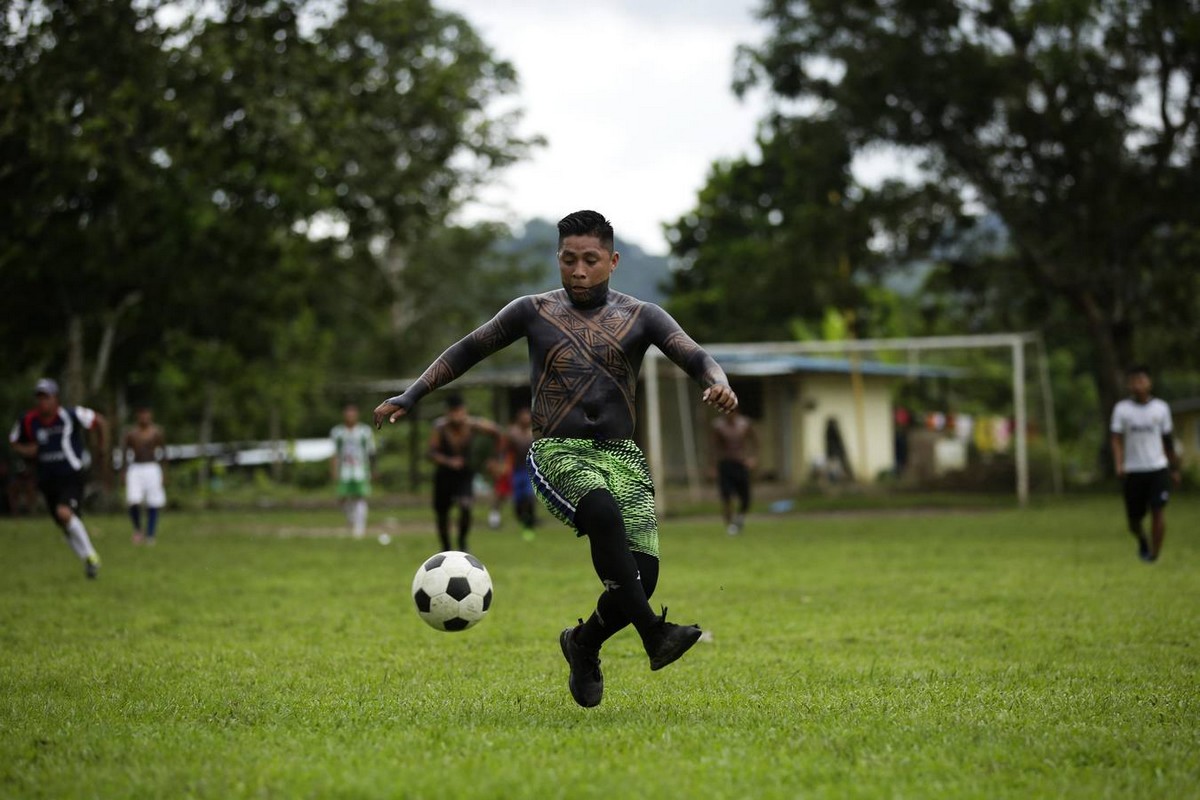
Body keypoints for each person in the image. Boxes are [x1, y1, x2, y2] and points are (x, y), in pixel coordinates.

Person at [374, 210, 738, 708]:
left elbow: (696, 356)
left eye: (590, 260)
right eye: (569, 260)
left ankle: (583, 644)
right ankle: (654, 635)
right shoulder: (532, 311)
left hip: (623, 456)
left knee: (643, 578)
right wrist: (411, 395)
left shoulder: (643, 316)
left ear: (612, 261)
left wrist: (717, 383)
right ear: (558, 259)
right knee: (603, 516)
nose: (579, 271)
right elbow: (467, 349)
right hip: (558, 450)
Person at [8, 378, 108, 578]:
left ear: (56, 398)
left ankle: (91, 556)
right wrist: (29, 450)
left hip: (70, 474)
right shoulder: (28, 421)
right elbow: (14, 441)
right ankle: (89, 562)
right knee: (64, 524)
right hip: (46, 477)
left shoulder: (70, 415)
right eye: (39, 397)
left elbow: (100, 421)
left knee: (64, 513)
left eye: (46, 397)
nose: (42, 402)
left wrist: (102, 448)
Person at [1110, 365, 1181, 563]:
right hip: (1133, 470)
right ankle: (1142, 539)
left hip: (1158, 467)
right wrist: (1119, 463)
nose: (1137, 384)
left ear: (1149, 382)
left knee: (1158, 510)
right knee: (1134, 521)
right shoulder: (1122, 409)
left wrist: (1174, 469)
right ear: (1128, 385)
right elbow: (1115, 439)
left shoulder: (1161, 408)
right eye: (1133, 380)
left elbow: (1168, 440)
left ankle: (1154, 554)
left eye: (1141, 380)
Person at [427, 395, 501, 553]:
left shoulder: (473, 424)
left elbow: (497, 432)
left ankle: (462, 543)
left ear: (464, 411)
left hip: (465, 474)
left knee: (466, 506)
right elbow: (431, 453)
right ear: (447, 413)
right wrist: (448, 461)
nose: (457, 416)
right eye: (453, 412)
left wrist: (494, 458)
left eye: (459, 411)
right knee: (442, 513)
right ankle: (446, 547)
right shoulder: (440, 427)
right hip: (444, 475)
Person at [330, 403, 376, 538]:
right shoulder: (337, 432)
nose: (350, 416)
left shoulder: (364, 431)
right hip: (344, 469)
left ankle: (359, 528)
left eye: (352, 414)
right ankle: (351, 520)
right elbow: (334, 453)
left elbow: (371, 452)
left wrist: (373, 469)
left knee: (360, 497)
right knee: (343, 498)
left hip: (360, 469)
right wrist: (333, 470)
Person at [123, 406, 168, 545]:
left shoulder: (157, 432)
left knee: (153, 501)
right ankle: (138, 529)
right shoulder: (131, 434)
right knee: (133, 500)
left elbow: (164, 453)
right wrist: (123, 471)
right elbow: (125, 453)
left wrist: (164, 472)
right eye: (142, 414)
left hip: (152, 467)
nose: (144, 417)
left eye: (146, 414)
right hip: (136, 467)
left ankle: (150, 534)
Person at [710, 408, 757, 535]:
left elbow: (755, 441)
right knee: (727, 497)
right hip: (725, 464)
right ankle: (730, 525)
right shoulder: (719, 426)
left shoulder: (744, 424)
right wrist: (713, 466)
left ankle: (740, 518)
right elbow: (713, 446)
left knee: (746, 498)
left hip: (741, 464)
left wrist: (752, 458)